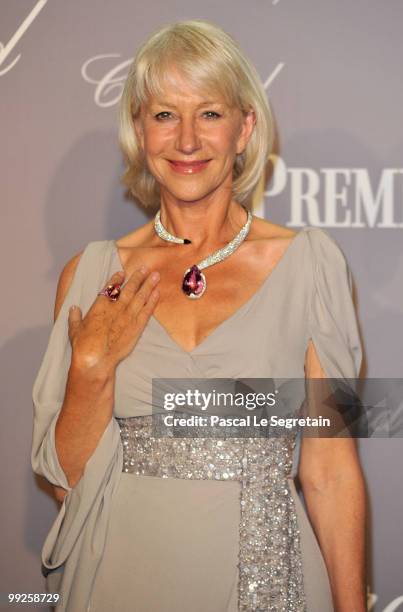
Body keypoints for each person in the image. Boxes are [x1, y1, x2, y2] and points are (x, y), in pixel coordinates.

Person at [31, 19, 367, 612]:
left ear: (246, 129)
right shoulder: (90, 276)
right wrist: (90, 367)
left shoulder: (310, 266)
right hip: (118, 575)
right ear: (139, 130)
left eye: (209, 113)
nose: (187, 141)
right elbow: (64, 485)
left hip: (266, 580)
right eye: (164, 115)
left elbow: (331, 470)